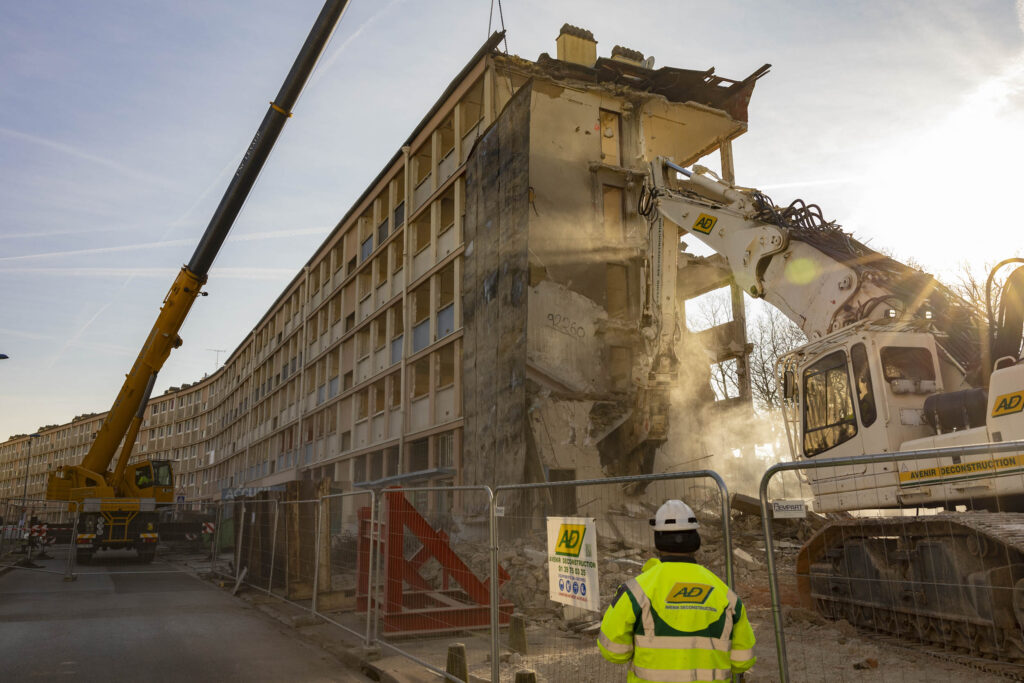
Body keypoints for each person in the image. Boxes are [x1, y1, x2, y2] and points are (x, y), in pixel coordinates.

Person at [597, 499, 756, 682]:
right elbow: (743, 660)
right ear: (695, 540)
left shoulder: (636, 592)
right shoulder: (726, 595)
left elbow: (613, 651)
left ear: (657, 541)